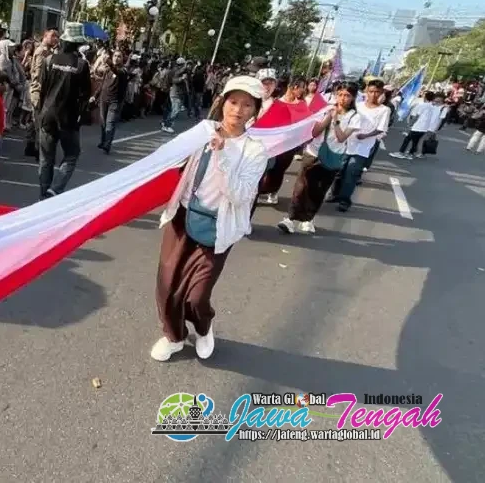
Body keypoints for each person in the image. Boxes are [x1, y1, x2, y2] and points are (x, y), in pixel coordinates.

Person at [150, 75, 268, 361]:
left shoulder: (255, 150)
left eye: (247, 105)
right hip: (183, 216)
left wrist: (223, 153)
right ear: (222, 102)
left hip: (218, 227)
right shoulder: (202, 131)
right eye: (233, 101)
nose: (238, 110)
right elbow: (166, 157)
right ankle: (174, 336)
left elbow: (240, 196)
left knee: (196, 295)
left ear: (255, 110)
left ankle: (203, 327)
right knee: (167, 286)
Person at [278, 83, 364, 235]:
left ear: (353, 98)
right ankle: (290, 219)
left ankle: (308, 220)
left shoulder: (355, 117)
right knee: (301, 187)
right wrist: (328, 116)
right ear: (336, 94)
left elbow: (341, 137)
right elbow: (315, 132)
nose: (343, 98)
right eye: (340, 94)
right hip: (313, 154)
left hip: (332, 158)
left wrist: (336, 120)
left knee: (318, 190)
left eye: (347, 96)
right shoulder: (326, 109)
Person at [36, 23, 91, 200]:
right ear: (77, 45)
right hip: (68, 118)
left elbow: (42, 89)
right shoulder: (82, 65)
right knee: (72, 154)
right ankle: (56, 188)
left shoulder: (49, 60)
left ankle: (44, 194)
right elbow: (85, 95)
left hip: (47, 115)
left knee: (46, 159)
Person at [330, 79, 390, 211]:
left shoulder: (384, 110)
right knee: (339, 171)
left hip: (363, 146)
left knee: (351, 173)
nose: (373, 95)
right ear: (366, 91)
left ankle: (345, 200)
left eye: (377, 92)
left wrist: (366, 135)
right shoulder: (358, 105)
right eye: (371, 91)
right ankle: (335, 194)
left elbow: (381, 128)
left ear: (381, 93)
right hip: (346, 142)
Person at [256, 77, 306, 206]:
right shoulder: (276, 102)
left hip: (288, 145)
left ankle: (273, 192)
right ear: (293, 87)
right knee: (264, 169)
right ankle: (259, 191)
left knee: (279, 169)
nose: (302, 90)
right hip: (271, 143)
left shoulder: (301, 105)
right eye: (301, 87)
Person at [24, 29, 58, 157]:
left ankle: (30, 145)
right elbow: (38, 76)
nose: (56, 39)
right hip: (38, 91)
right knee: (39, 122)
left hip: (41, 91)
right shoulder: (41, 52)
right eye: (53, 36)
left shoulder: (48, 51)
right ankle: (38, 149)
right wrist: (38, 95)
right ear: (45, 36)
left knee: (34, 120)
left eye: (57, 37)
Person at [93, 49, 129, 154]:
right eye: (115, 56)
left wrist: (108, 63)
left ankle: (107, 145)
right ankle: (103, 141)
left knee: (110, 123)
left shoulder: (123, 71)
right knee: (103, 122)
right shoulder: (108, 70)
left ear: (123, 59)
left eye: (119, 56)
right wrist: (95, 96)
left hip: (115, 101)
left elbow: (117, 71)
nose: (116, 58)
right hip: (104, 99)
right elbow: (102, 85)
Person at [390, 92, 439, 161]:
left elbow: (416, 116)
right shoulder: (432, 107)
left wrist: (411, 124)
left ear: (425, 97)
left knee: (407, 139)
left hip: (418, 126)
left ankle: (401, 152)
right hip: (425, 127)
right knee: (415, 141)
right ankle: (410, 154)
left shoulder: (423, 105)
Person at [161, 58, 188, 133]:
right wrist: (182, 78)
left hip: (175, 92)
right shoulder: (177, 71)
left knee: (170, 108)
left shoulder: (177, 71)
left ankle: (165, 122)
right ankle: (167, 125)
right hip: (176, 93)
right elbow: (174, 80)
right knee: (175, 110)